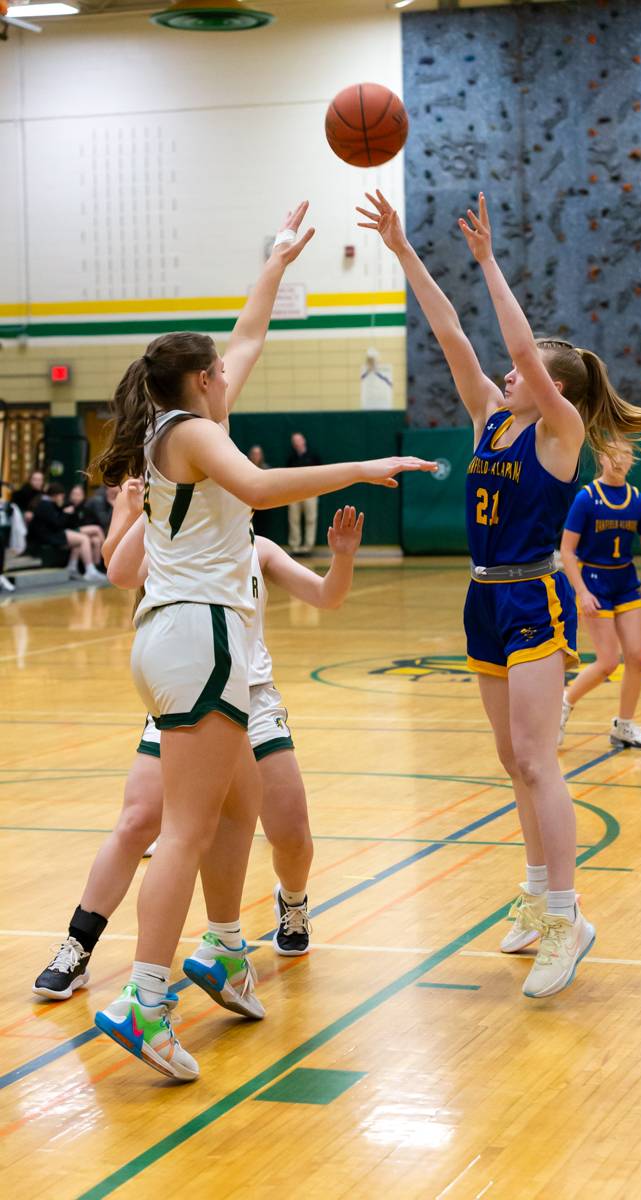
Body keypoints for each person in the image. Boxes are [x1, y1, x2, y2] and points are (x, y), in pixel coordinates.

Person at [89, 199, 434, 1081]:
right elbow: (263, 484)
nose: (232, 371)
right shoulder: (202, 436)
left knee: (240, 811)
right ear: (202, 383)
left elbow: (246, 335)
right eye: (221, 372)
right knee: (188, 831)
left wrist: (277, 262)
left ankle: (221, 950)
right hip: (200, 637)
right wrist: (364, 463)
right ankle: (146, 998)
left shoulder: (185, 420)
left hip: (190, 638)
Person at [358, 189, 641, 998]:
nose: (505, 371)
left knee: (538, 759)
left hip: (533, 599)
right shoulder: (489, 421)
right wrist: (403, 254)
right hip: (480, 599)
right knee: (511, 760)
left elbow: (518, 349)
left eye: (522, 369)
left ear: (551, 388)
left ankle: (569, 919)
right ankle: (537, 898)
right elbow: (450, 334)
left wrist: (492, 262)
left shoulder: (558, 434)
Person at [32, 485, 366, 1001]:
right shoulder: (177, 541)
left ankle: (292, 902)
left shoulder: (260, 548)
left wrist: (342, 559)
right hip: (191, 689)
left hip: (252, 695)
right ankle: (77, 947)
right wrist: (126, 512)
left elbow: (329, 596)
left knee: (291, 832)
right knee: (139, 819)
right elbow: (120, 570)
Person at [559, 441, 641, 750]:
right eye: (612, 454)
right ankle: (563, 704)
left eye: (625, 455)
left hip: (625, 582)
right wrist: (582, 592)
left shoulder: (639, 501)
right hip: (595, 582)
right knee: (607, 662)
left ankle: (624, 726)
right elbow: (567, 550)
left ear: (632, 461)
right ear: (601, 458)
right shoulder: (586, 499)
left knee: (637, 658)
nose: (619, 460)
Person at [27, 482, 104, 581]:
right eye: (61, 495)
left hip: (52, 533)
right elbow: (57, 523)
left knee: (80, 541)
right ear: (55, 495)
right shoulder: (46, 505)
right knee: (84, 538)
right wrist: (65, 513)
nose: (62, 498)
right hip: (48, 536)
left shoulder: (47, 504)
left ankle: (73, 567)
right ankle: (90, 570)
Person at [286, 431, 321, 555]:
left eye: (298, 440)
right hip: (294, 493)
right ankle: (295, 546)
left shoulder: (313, 456)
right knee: (293, 519)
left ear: (303, 441)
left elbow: (320, 474)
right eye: (294, 441)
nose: (297, 443)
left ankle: (308, 547)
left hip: (311, 493)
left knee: (311, 519)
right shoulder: (291, 458)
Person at [63, 482, 105, 566]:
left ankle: (97, 566)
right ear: (70, 495)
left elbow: (92, 521)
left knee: (96, 540)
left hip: (80, 532)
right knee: (97, 529)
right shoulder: (66, 506)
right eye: (74, 494)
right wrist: (66, 513)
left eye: (78, 494)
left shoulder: (85, 508)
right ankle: (108, 555)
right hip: (70, 532)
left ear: (83, 496)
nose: (76, 497)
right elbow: (66, 524)